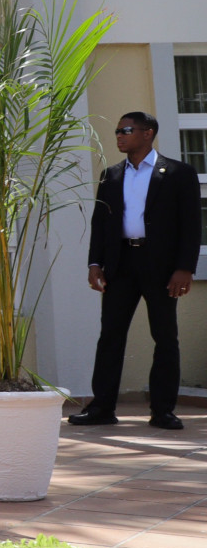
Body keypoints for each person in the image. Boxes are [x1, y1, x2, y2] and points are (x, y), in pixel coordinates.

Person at [72, 111, 200, 430]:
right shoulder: (111, 175)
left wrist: (185, 268)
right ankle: (102, 408)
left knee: (165, 337)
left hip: (161, 267)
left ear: (148, 133)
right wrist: (94, 263)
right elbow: (100, 223)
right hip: (121, 265)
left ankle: (163, 410)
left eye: (126, 130)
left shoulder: (178, 173)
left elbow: (191, 224)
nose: (119, 135)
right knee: (110, 336)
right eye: (117, 131)